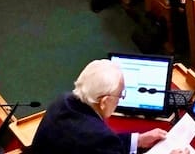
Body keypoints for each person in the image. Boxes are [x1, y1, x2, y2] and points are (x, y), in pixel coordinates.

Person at [29, 59, 168, 153]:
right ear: (104, 102)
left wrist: (138, 140)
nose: (120, 99)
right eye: (120, 95)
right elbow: (99, 143)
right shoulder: (100, 138)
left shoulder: (62, 101)